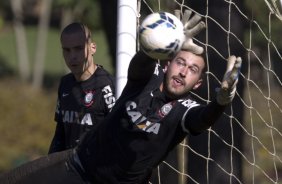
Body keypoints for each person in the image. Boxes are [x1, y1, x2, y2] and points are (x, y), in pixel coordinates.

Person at [0, 10, 242, 184]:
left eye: (192, 70)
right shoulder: (149, 77)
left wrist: (221, 101)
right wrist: (155, 45)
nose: (183, 71)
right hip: (77, 165)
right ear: (168, 64)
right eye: (180, 62)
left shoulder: (184, 109)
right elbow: (138, 67)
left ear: (198, 83)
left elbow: (202, 119)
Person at [48, 22, 116, 153]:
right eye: (66, 50)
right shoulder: (65, 84)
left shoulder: (108, 86)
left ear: (92, 48)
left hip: (97, 170)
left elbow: (119, 135)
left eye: (78, 48)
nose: (72, 56)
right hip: (70, 169)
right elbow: (60, 133)